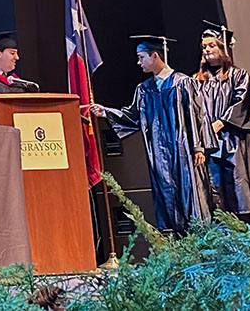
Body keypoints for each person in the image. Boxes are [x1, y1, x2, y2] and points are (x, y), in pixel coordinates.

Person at [89, 36, 213, 234]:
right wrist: (106, 111)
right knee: (167, 195)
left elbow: (197, 115)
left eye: (141, 57)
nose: (139, 63)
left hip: (184, 151)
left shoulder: (183, 83)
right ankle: (178, 245)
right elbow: (132, 116)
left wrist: (199, 147)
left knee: (190, 195)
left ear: (155, 56)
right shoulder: (144, 89)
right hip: (159, 153)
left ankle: (200, 244)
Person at [190, 21, 250, 230]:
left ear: (224, 48)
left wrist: (220, 123)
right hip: (211, 147)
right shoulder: (197, 80)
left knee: (245, 196)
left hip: (236, 145)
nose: (208, 50)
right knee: (220, 199)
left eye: (212, 45)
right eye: (205, 47)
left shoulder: (239, 76)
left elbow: (240, 103)